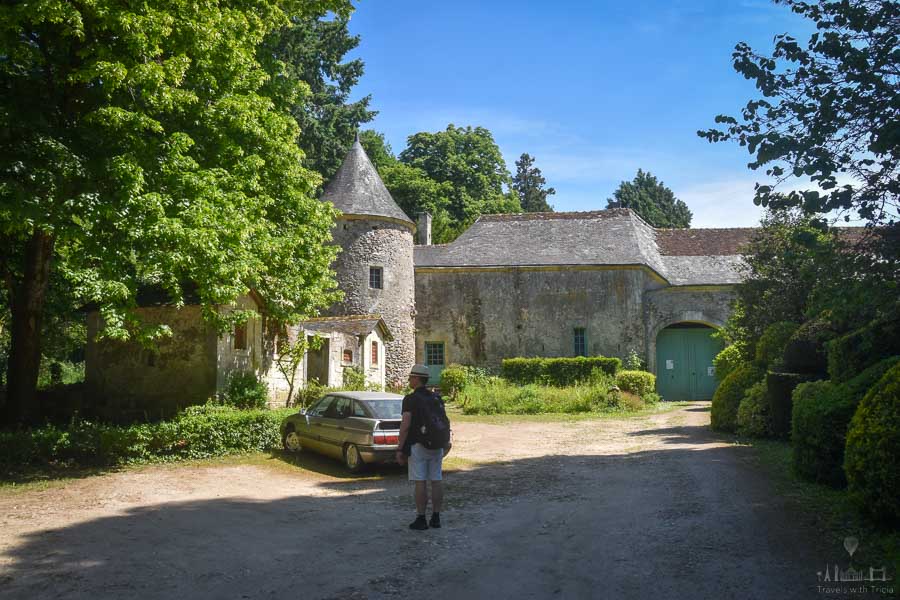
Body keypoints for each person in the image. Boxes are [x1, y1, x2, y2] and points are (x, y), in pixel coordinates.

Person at [396, 364, 451, 530]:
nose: (409, 380)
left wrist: (400, 448)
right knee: (436, 480)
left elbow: (405, 425)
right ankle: (436, 517)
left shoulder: (410, 399)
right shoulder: (436, 397)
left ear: (417, 378)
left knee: (420, 481)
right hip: (437, 444)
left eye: (411, 377)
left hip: (418, 445)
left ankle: (421, 518)